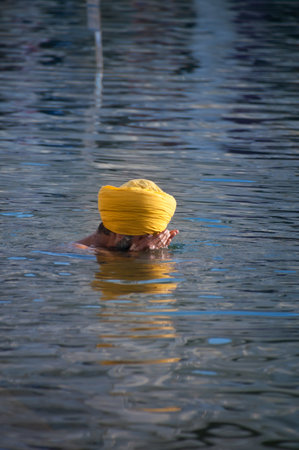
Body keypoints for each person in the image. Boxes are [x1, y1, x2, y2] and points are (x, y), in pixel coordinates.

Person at [76, 179, 179, 252]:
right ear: (121, 235)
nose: (155, 242)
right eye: (148, 238)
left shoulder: (105, 254)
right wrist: (145, 256)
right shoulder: (79, 253)